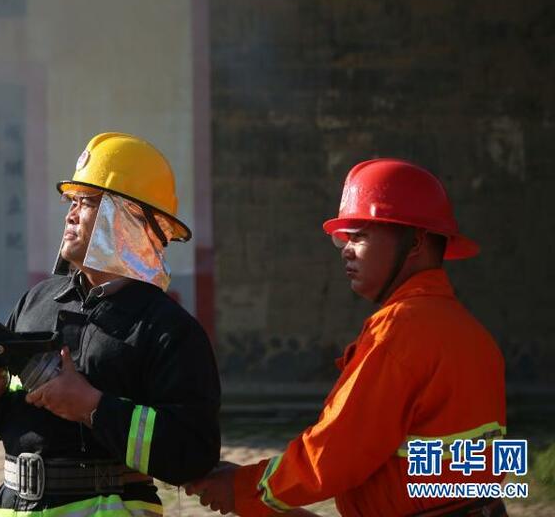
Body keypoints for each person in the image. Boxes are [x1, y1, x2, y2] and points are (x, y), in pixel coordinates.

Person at [185, 159, 507, 516]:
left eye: (360, 236)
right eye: (344, 239)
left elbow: (334, 454)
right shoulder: (473, 335)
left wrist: (242, 488)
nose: (346, 250)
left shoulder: (399, 331)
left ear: (415, 242)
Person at [0, 132, 221, 516]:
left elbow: (192, 452)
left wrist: (92, 407)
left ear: (129, 219)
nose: (70, 213)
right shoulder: (36, 301)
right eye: (72, 201)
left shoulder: (168, 330)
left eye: (88, 202)